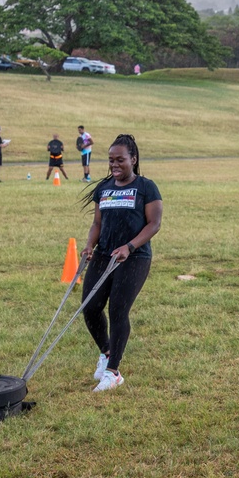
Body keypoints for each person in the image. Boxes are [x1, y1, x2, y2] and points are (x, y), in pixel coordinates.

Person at [80, 134, 163, 392]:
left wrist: (130, 246)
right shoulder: (103, 189)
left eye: (120, 160)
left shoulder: (146, 187)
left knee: (117, 309)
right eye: (111, 160)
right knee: (90, 307)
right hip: (104, 255)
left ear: (133, 159)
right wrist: (88, 246)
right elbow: (97, 223)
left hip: (134, 257)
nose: (115, 165)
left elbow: (154, 224)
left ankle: (113, 371)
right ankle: (106, 352)